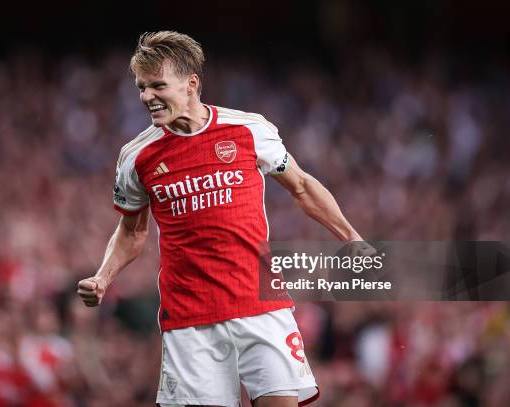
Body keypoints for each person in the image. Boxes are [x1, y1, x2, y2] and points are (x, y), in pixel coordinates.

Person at [77, 31, 373, 407]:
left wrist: (351, 237)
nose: (146, 96)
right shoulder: (136, 157)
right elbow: (132, 231)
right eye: (141, 87)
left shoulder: (249, 130)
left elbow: (301, 187)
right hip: (190, 320)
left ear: (191, 84)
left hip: (261, 307)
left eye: (157, 85)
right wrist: (103, 277)